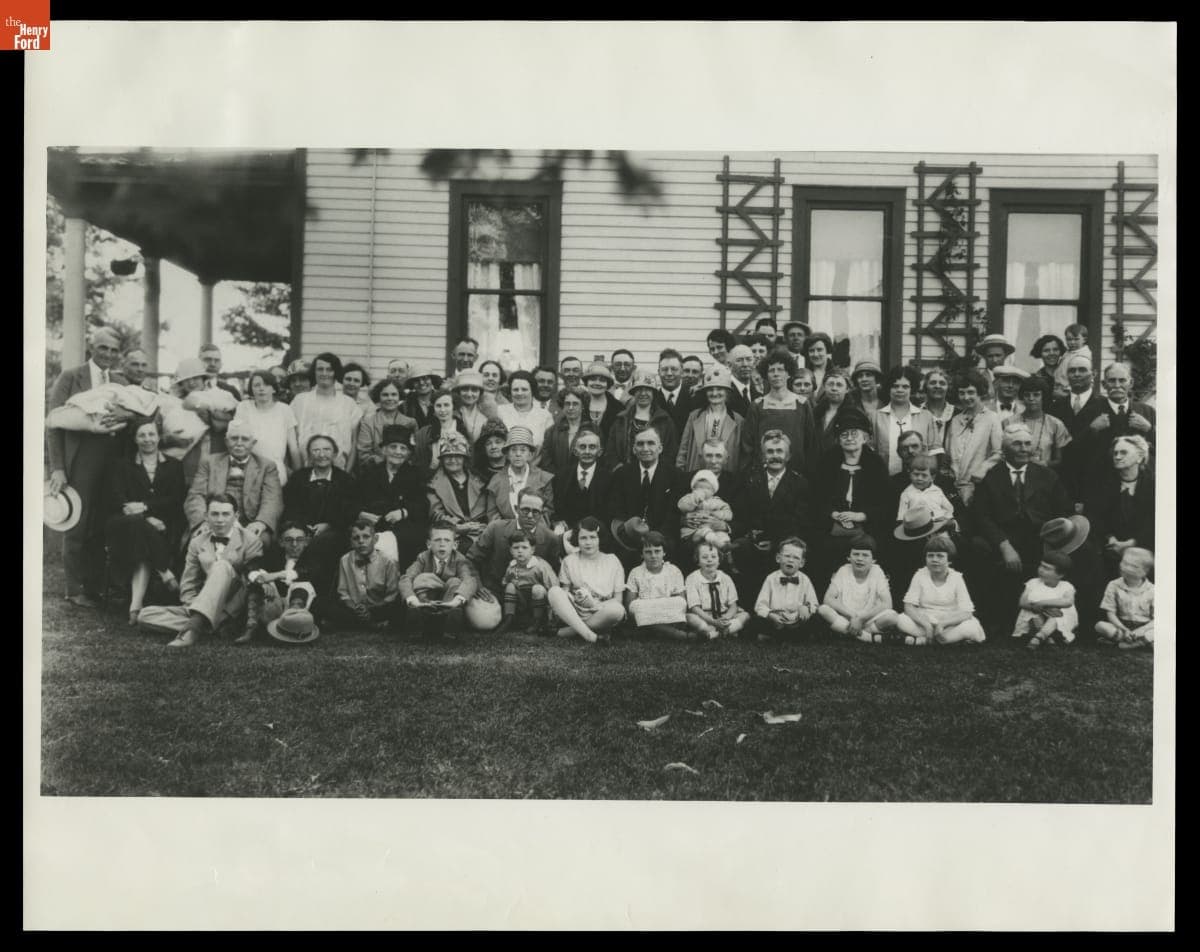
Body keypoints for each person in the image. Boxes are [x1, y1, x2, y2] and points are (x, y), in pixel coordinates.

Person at [46, 325, 128, 607]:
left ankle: (94, 587)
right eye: (103, 347)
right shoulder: (71, 377)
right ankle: (75, 588)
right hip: (81, 458)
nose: (108, 354)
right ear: (92, 347)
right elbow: (53, 423)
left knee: (100, 523)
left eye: (114, 350)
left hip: (112, 460)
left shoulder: (119, 381)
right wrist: (57, 467)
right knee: (78, 523)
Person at [969, 424, 1073, 629]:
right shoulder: (990, 477)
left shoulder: (1047, 475)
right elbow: (982, 516)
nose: (1024, 449)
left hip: (1041, 539)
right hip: (1004, 537)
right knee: (976, 546)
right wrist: (1004, 545)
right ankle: (991, 619)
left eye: (1027, 444)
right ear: (1005, 449)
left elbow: (1063, 510)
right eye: (1017, 444)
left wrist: (1053, 539)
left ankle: (1059, 618)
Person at [136, 493, 264, 648]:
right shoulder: (197, 542)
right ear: (206, 516)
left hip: (233, 604)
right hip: (202, 604)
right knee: (145, 615)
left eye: (226, 514)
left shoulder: (250, 540)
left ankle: (193, 630)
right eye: (214, 514)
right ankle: (210, 625)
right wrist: (195, 608)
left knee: (221, 566)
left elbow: (251, 582)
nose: (220, 520)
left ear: (236, 516)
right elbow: (188, 584)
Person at [104, 416, 186, 625]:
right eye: (142, 435)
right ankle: (164, 571)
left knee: (140, 536)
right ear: (134, 439)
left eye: (151, 434)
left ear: (159, 437)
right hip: (125, 522)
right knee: (135, 525)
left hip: (163, 523)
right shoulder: (122, 465)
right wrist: (147, 518)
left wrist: (148, 508)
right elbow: (116, 498)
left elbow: (176, 499)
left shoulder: (174, 465)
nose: (147, 439)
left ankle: (136, 606)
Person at [813, 407, 892, 590]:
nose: (849, 438)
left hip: (867, 528)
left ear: (865, 438)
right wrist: (833, 514)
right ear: (838, 440)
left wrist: (861, 516)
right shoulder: (828, 462)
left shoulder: (875, 465)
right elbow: (816, 498)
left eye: (854, 434)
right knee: (822, 548)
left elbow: (886, 504)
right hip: (831, 526)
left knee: (875, 545)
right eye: (844, 435)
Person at [731, 430, 814, 594]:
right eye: (770, 451)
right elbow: (741, 514)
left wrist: (776, 543)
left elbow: (801, 522)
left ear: (788, 456)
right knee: (741, 549)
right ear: (763, 456)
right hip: (754, 542)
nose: (775, 456)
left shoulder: (800, 483)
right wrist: (752, 536)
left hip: (784, 542)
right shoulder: (750, 479)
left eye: (779, 451)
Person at [282, 435, 360, 606]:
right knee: (293, 541)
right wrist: (302, 526)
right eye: (316, 450)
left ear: (335, 454)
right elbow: (290, 506)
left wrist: (329, 524)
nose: (321, 454)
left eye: (326, 450)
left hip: (335, 532)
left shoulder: (345, 480)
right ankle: (288, 592)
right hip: (301, 529)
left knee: (323, 543)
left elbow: (350, 512)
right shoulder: (298, 478)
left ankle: (303, 590)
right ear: (309, 454)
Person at [183, 418, 284, 546]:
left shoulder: (266, 466)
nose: (239, 443)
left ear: (253, 443)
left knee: (260, 541)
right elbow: (195, 495)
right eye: (234, 438)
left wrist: (261, 522)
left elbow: (273, 499)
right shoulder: (209, 462)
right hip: (214, 520)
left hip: (250, 522)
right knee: (199, 540)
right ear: (226, 441)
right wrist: (203, 522)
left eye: (245, 439)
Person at [400, 522, 499, 639]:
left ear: (455, 545)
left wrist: (456, 601)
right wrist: (413, 600)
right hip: (426, 600)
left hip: (448, 601)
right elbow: (406, 578)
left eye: (447, 540)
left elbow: (470, 580)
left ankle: (447, 622)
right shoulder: (423, 558)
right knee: (422, 578)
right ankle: (421, 616)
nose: (442, 544)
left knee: (455, 582)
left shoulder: (459, 560)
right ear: (428, 544)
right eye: (437, 540)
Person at [1068, 362, 1156, 489]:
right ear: (1104, 384)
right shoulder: (1089, 412)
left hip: (1138, 484)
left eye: (1122, 380)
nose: (1117, 385)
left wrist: (1149, 429)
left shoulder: (1147, 412)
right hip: (1101, 483)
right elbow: (1073, 452)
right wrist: (1092, 429)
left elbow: (1164, 451)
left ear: (1130, 383)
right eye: (1112, 381)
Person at [468, 488, 562, 603]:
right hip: (495, 594)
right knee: (487, 620)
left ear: (542, 513)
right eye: (525, 510)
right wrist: (478, 585)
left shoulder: (550, 538)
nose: (530, 516)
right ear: (516, 509)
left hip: (533, 599)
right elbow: (470, 560)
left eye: (536, 512)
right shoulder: (496, 529)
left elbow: (554, 573)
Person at [608, 427, 686, 564]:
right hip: (630, 537)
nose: (645, 448)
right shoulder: (622, 474)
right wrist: (633, 532)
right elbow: (616, 508)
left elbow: (674, 513)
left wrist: (655, 538)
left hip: (662, 537)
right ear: (634, 449)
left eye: (651, 443)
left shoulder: (675, 475)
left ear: (660, 448)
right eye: (640, 444)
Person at [357, 423, 428, 568]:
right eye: (393, 447)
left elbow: (423, 504)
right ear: (383, 450)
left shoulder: (415, 474)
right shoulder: (370, 473)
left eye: (403, 448)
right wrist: (361, 513)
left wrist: (403, 512)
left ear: (408, 453)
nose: (398, 452)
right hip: (373, 526)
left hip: (404, 528)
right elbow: (352, 501)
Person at [547, 517, 627, 644]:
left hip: (601, 610)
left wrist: (595, 605)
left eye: (592, 537)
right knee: (554, 591)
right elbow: (565, 591)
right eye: (583, 538)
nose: (588, 542)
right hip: (576, 610)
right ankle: (590, 635)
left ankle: (567, 631)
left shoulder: (612, 560)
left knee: (618, 610)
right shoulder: (570, 561)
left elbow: (618, 599)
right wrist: (576, 597)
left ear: (600, 538)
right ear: (577, 540)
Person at [896, 535, 985, 646]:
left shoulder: (957, 578)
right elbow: (908, 607)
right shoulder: (920, 575)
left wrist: (943, 624)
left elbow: (967, 612)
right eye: (930, 556)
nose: (934, 560)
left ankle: (924, 640)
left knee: (971, 628)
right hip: (925, 620)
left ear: (949, 560)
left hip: (949, 623)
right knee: (900, 620)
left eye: (940, 556)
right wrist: (926, 625)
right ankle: (944, 641)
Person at [740, 347, 817, 475]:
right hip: (764, 474)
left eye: (780, 370)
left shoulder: (802, 404)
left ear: (789, 373)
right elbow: (748, 446)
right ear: (766, 374)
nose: (776, 374)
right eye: (771, 370)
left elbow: (811, 444)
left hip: (796, 473)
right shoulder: (758, 405)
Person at [1087, 435, 1155, 576]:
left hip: (1143, 550)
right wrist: (1110, 539)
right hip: (1108, 549)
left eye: (1123, 452)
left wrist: (1132, 543)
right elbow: (1094, 517)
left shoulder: (1153, 486)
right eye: (1115, 453)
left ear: (1140, 457)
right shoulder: (1102, 485)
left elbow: (1156, 522)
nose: (1117, 457)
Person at [817, 534, 901, 643]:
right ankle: (866, 637)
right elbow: (828, 598)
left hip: (868, 618)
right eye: (856, 554)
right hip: (847, 617)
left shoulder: (877, 571)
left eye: (865, 555)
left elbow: (887, 603)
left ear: (873, 560)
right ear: (849, 557)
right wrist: (852, 616)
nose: (860, 559)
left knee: (892, 617)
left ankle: (852, 633)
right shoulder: (843, 570)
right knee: (823, 609)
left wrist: (861, 619)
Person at [242, 522, 315, 643]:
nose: (295, 544)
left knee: (302, 585)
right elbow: (251, 566)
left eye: (300, 539)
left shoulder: (312, 556)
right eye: (289, 540)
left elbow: (307, 572)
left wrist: (277, 575)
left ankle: (292, 628)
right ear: (281, 542)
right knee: (258, 575)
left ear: (307, 541)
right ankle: (251, 628)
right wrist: (261, 582)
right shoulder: (274, 555)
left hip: (303, 612)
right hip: (273, 608)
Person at [291, 353, 364, 471]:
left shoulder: (349, 404)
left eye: (329, 370)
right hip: (305, 469)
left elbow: (355, 443)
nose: (324, 373)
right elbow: (292, 441)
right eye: (320, 369)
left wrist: (347, 472)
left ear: (336, 372)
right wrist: (299, 472)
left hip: (339, 470)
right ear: (314, 372)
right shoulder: (300, 401)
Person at [327, 520, 403, 632]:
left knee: (398, 608)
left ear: (375, 539)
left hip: (379, 607)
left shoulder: (388, 562)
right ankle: (370, 624)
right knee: (329, 607)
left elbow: (391, 595)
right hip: (354, 608)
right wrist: (356, 608)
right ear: (351, 542)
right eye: (356, 538)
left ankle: (361, 623)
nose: (361, 541)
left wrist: (371, 610)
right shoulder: (345, 560)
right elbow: (343, 593)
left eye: (366, 537)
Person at [944, 370, 1004, 506]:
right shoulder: (955, 421)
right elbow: (948, 455)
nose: (966, 397)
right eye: (962, 393)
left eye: (971, 392)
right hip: (954, 489)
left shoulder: (991, 418)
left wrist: (982, 469)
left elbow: (999, 453)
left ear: (980, 393)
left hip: (980, 486)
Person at [232, 370, 301, 486]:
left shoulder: (284, 410)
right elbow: (236, 440)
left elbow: (293, 447)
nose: (261, 388)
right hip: (248, 469)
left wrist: (299, 475)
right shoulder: (244, 407)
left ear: (274, 389)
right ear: (252, 390)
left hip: (276, 470)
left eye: (266, 384)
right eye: (256, 385)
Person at [426, 433, 490, 553]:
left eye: (458, 456)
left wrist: (484, 527)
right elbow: (436, 514)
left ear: (464, 458)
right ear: (442, 459)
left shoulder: (481, 480)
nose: (453, 460)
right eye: (448, 456)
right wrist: (458, 527)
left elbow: (489, 510)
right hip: (452, 532)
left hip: (481, 530)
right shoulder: (433, 484)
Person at [871, 366, 937, 476]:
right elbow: (870, 451)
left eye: (905, 386)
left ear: (912, 389)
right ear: (888, 388)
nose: (900, 390)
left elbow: (934, 450)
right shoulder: (876, 417)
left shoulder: (926, 416)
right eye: (895, 386)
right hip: (885, 479)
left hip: (919, 481)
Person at [676, 365, 743, 474]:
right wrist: (680, 474)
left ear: (727, 392)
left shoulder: (738, 420)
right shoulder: (695, 416)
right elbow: (683, 450)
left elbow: (742, 454)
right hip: (696, 474)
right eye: (710, 389)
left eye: (720, 389)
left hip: (727, 478)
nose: (715, 393)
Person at [550, 426, 612, 542]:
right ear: (575, 451)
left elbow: (609, 515)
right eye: (582, 447)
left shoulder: (609, 479)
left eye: (592, 447)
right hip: (567, 534)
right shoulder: (561, 476)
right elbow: (555, 508)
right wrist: (557, 522)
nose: (587, 451)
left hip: (597, 537)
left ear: (600, 452)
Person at [624, 530, 689, 640]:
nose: (653, 556)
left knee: (680, 602)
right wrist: (646, 607)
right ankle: (676, 634)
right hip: (645, 610)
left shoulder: (673, 570)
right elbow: (630, 606)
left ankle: (650, 630)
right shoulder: (636, 572)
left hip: (666, 610)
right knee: (636, 606)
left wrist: (662, 606)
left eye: (657, 551)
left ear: (664, 552)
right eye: (648, 552)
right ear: (642, 554)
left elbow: (682, 601)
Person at [752, 537, 819, 641]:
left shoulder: (805, 580)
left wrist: (806, 607)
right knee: (757, 619)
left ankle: (781, 637)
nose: (791, 560)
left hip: (797, 620)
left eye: (796, 558)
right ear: (778, 558)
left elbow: (814, 603)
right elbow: (760, 605)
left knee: (816, 619)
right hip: (777, 620)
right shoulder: (771, 579)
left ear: (802, 563)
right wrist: (770, 615)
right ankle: (789, 637)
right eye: (787, 556)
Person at [485, 425, 555, 523]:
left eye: (523, 450)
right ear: (507, 454)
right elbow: (493, 515)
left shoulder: (543, 478)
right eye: (513, 450)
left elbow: (548, 511)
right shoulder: (496, 481)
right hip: (506, 533)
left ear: (530, 455)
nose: (518, 454)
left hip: (535, 531)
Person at [609, 370, 678, 468]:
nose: (643, 393)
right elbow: (611, 450)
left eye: (648, 390)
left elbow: (671, 451)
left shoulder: (664, 420)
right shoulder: (621, 419)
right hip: (624, 474)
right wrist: (618, 468)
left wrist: (658, 471)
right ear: (633, 393)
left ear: (653, 393)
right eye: (639, 390)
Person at [1011, 550, 1078, 649]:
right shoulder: (1033, 583)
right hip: (1037, 618)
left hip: (1056, 623)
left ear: (1060, 575)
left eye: (1047, 568)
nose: (1041, 570)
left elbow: (1068, 602)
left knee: (1061, 613)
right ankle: (1047, 638)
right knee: (1032, 614)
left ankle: (1040, 636)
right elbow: (1022, 602)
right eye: (1041, 566)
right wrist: (1036, 608)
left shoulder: (1066, 586)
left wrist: (1042, 603)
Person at [495, 531, 558, 633]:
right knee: (510, 586)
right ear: (511, 550)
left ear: (532, 550)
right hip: (522, 600)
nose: (520, 551)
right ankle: (509, 618)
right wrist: (510, 585)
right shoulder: (512, 566)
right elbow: (505, 582)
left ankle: (537, 621)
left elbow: (553, 586)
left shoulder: (539, 565)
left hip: (538, 600)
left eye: (524, 547)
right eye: (516, 548)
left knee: (538, 589)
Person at [685, 540, 749, 640]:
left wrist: (726, 618)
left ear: (719, 560)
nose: (709, 560)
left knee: (745, 615)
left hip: (723, 615)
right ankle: (721, 631)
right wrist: (713, 622)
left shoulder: (725, 578)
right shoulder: (692, 579)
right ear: (697, 560)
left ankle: (715, 633)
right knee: (689, 617)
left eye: (713, 557)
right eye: (704, 557)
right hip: (704, 617)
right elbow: (695, 608)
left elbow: (733, 605)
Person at [1095, 547, 1155, 650]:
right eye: (1124, 563)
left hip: (1144, 628)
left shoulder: (1153, 590)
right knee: (1100, 626)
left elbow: (1157, 620)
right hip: (1121, 626)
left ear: (1145, 571)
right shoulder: (1113, 585)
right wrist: (1124, 629)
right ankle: (1141, 642)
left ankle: (1129, 644)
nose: (1126, 568)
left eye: (1133, 566)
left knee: (1160, 630)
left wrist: (1140, 631)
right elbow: (1110, 613)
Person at [1011, 375, 1071, 471]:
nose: (1031, 399)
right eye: (1027, 395)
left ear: (1044, 396)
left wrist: (1045, 463)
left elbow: (1060, 460)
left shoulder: (1055, 424)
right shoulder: (1009, 422)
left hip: (1044, 477)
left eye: (1036, 395)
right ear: (1022, 397)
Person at [357, 378, 418, 468]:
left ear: (399, 397)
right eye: (385, 395)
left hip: (404, 472)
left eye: (394, 395)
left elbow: (415, 453)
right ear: (379, 397)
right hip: (376, 472)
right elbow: (363, 454)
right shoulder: (368, 422)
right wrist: (389, 462)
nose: (390, 398)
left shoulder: (410, 422)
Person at [496, 370, 555, 457]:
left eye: (524, 389)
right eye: (515, 389)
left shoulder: (545, 416)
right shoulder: (501, 411)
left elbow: (548, 450)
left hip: (537, 466)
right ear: (510, 391)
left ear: (532, 391)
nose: (520, 393)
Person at [678, 469, 734, 559]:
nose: (703, 491)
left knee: (723, 536)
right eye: (699, 488)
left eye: (707, 488)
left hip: (714, 530)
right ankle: (716, 546)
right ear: (693, 489)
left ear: (713, 491)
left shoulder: (717, 501)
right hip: (693, 532)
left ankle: (728, 555)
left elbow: (728, 514)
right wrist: (695, 497)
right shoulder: (689, 498)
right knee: (705, 532)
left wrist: (717, 514)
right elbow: (682, 506)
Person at [412, 388, 469, 474]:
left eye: (446, 405)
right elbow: (420, 461)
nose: (442, 410)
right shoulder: (424, 433)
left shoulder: (464, 431)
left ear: (453, 407)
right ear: (433, 408)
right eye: (438, 406)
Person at [1049, 354, 1101, 440]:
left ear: (1094, 374)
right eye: (1072, 371)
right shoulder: (1055, 407)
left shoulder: (1104, 405)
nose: (1076, 374)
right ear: (1067, 374)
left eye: (1082, 370)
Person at [896, 454, 957, 524]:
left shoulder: (937, 491)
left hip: (939, 524)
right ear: (910, 475)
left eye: (924, 475)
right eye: (916, 474)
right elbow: (901, 515)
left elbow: (948, 508)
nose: (919, 478)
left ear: (932, 477)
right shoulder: (906, 493)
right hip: (918, 527)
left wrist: (947, 519)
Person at [542, 388, 587, 475]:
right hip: (557, 481)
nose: (570, 407)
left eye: (575, 404)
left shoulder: (593, 429)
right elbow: (546, 461)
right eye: (567, 404)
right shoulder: (551, 432)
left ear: (583, 406)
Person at [812, 369, 853, 462]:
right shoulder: (815, 413)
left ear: (847, 389)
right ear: (824, 387)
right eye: (830, 384)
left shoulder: (853, 415)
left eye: (839, 385)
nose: (834, 388)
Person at [579, 361, 624, 444]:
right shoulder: (578, 404)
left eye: (602, 380)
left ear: (608, 384)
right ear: (587, 382)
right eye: (593, 379)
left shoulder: (618, 408)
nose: (597, 383)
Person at [920, 367, 957, 454]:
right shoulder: (917, 413)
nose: (937, 386)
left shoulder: (957, 414)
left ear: (948, 387)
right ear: (926, 386)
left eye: (942, 383)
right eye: (933, 383)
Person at [655, 349, 692, 433]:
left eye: (674, 369)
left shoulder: (692, 398)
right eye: (664, 369)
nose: (669, 373)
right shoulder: (653, 400)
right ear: (659, 372)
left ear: (682, 372)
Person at [450, 370, 491, 446]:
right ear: (458, 391)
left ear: (480, 393)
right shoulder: (451, 415)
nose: (469, 394)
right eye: (465, 389)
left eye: (474, 390)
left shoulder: (485, 419)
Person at [726, 344, 763, 418]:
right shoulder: (724, 392)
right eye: (739, 360)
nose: (745, 364)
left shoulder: (759, 394)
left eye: (749, 359)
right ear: (730, 365)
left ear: (754, 363)